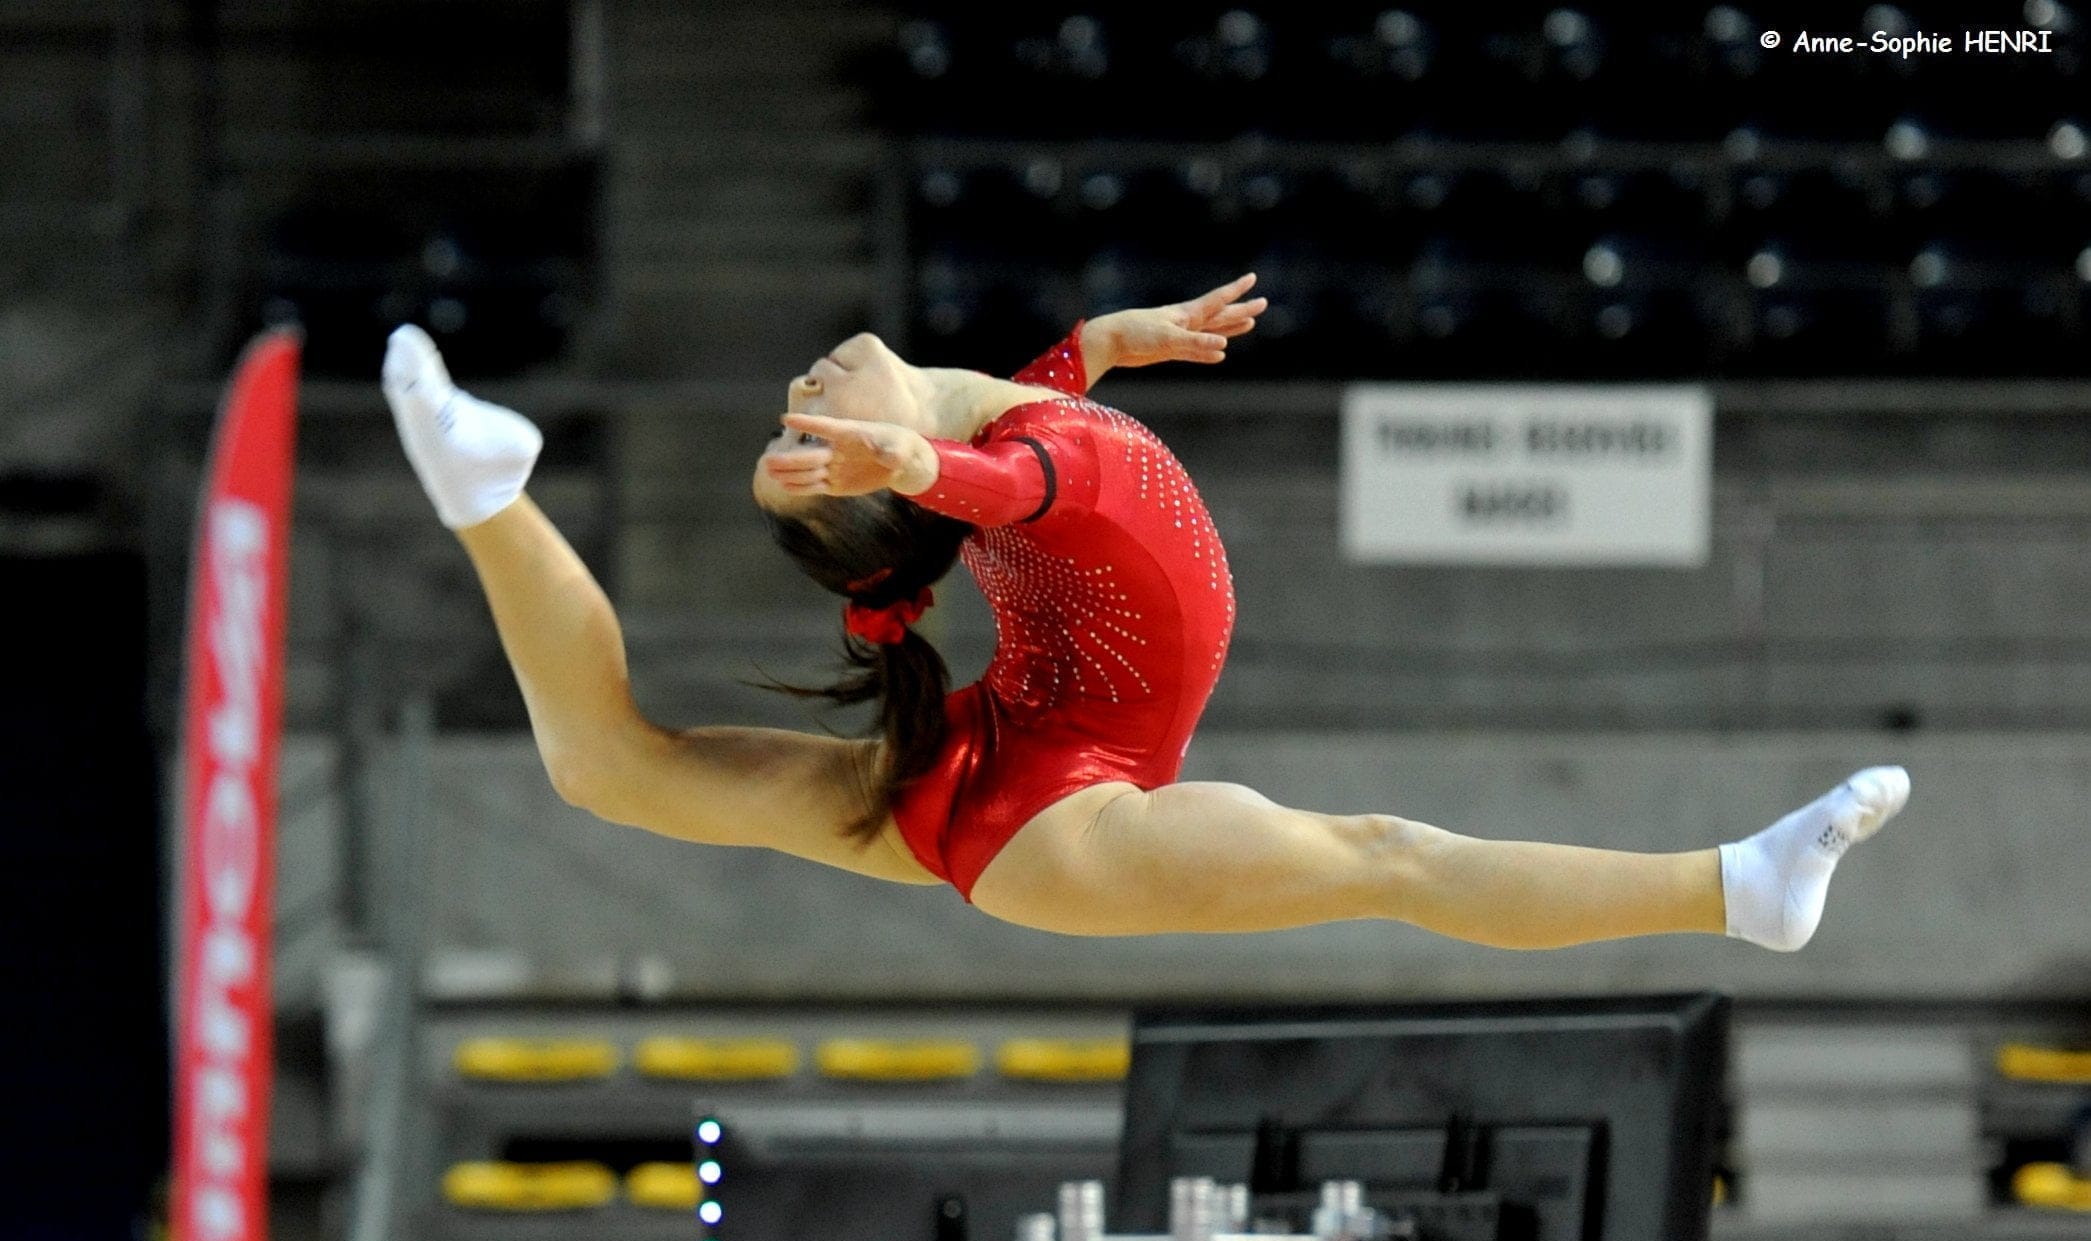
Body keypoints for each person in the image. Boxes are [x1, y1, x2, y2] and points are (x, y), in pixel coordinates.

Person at [382, 274, 1908, 949]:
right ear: (893, 473)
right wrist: (909, 455)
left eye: (790, 429)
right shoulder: (998, 469)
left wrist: (1110, 338)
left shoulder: (1012, 412)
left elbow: (1017, 426)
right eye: (804, 446)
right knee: (1386, 858)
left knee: (608, 767)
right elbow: (1007, 487)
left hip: (1017, 737)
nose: (797, 398)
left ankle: (486, 493)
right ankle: (1736, 891)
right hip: (1060, 815)